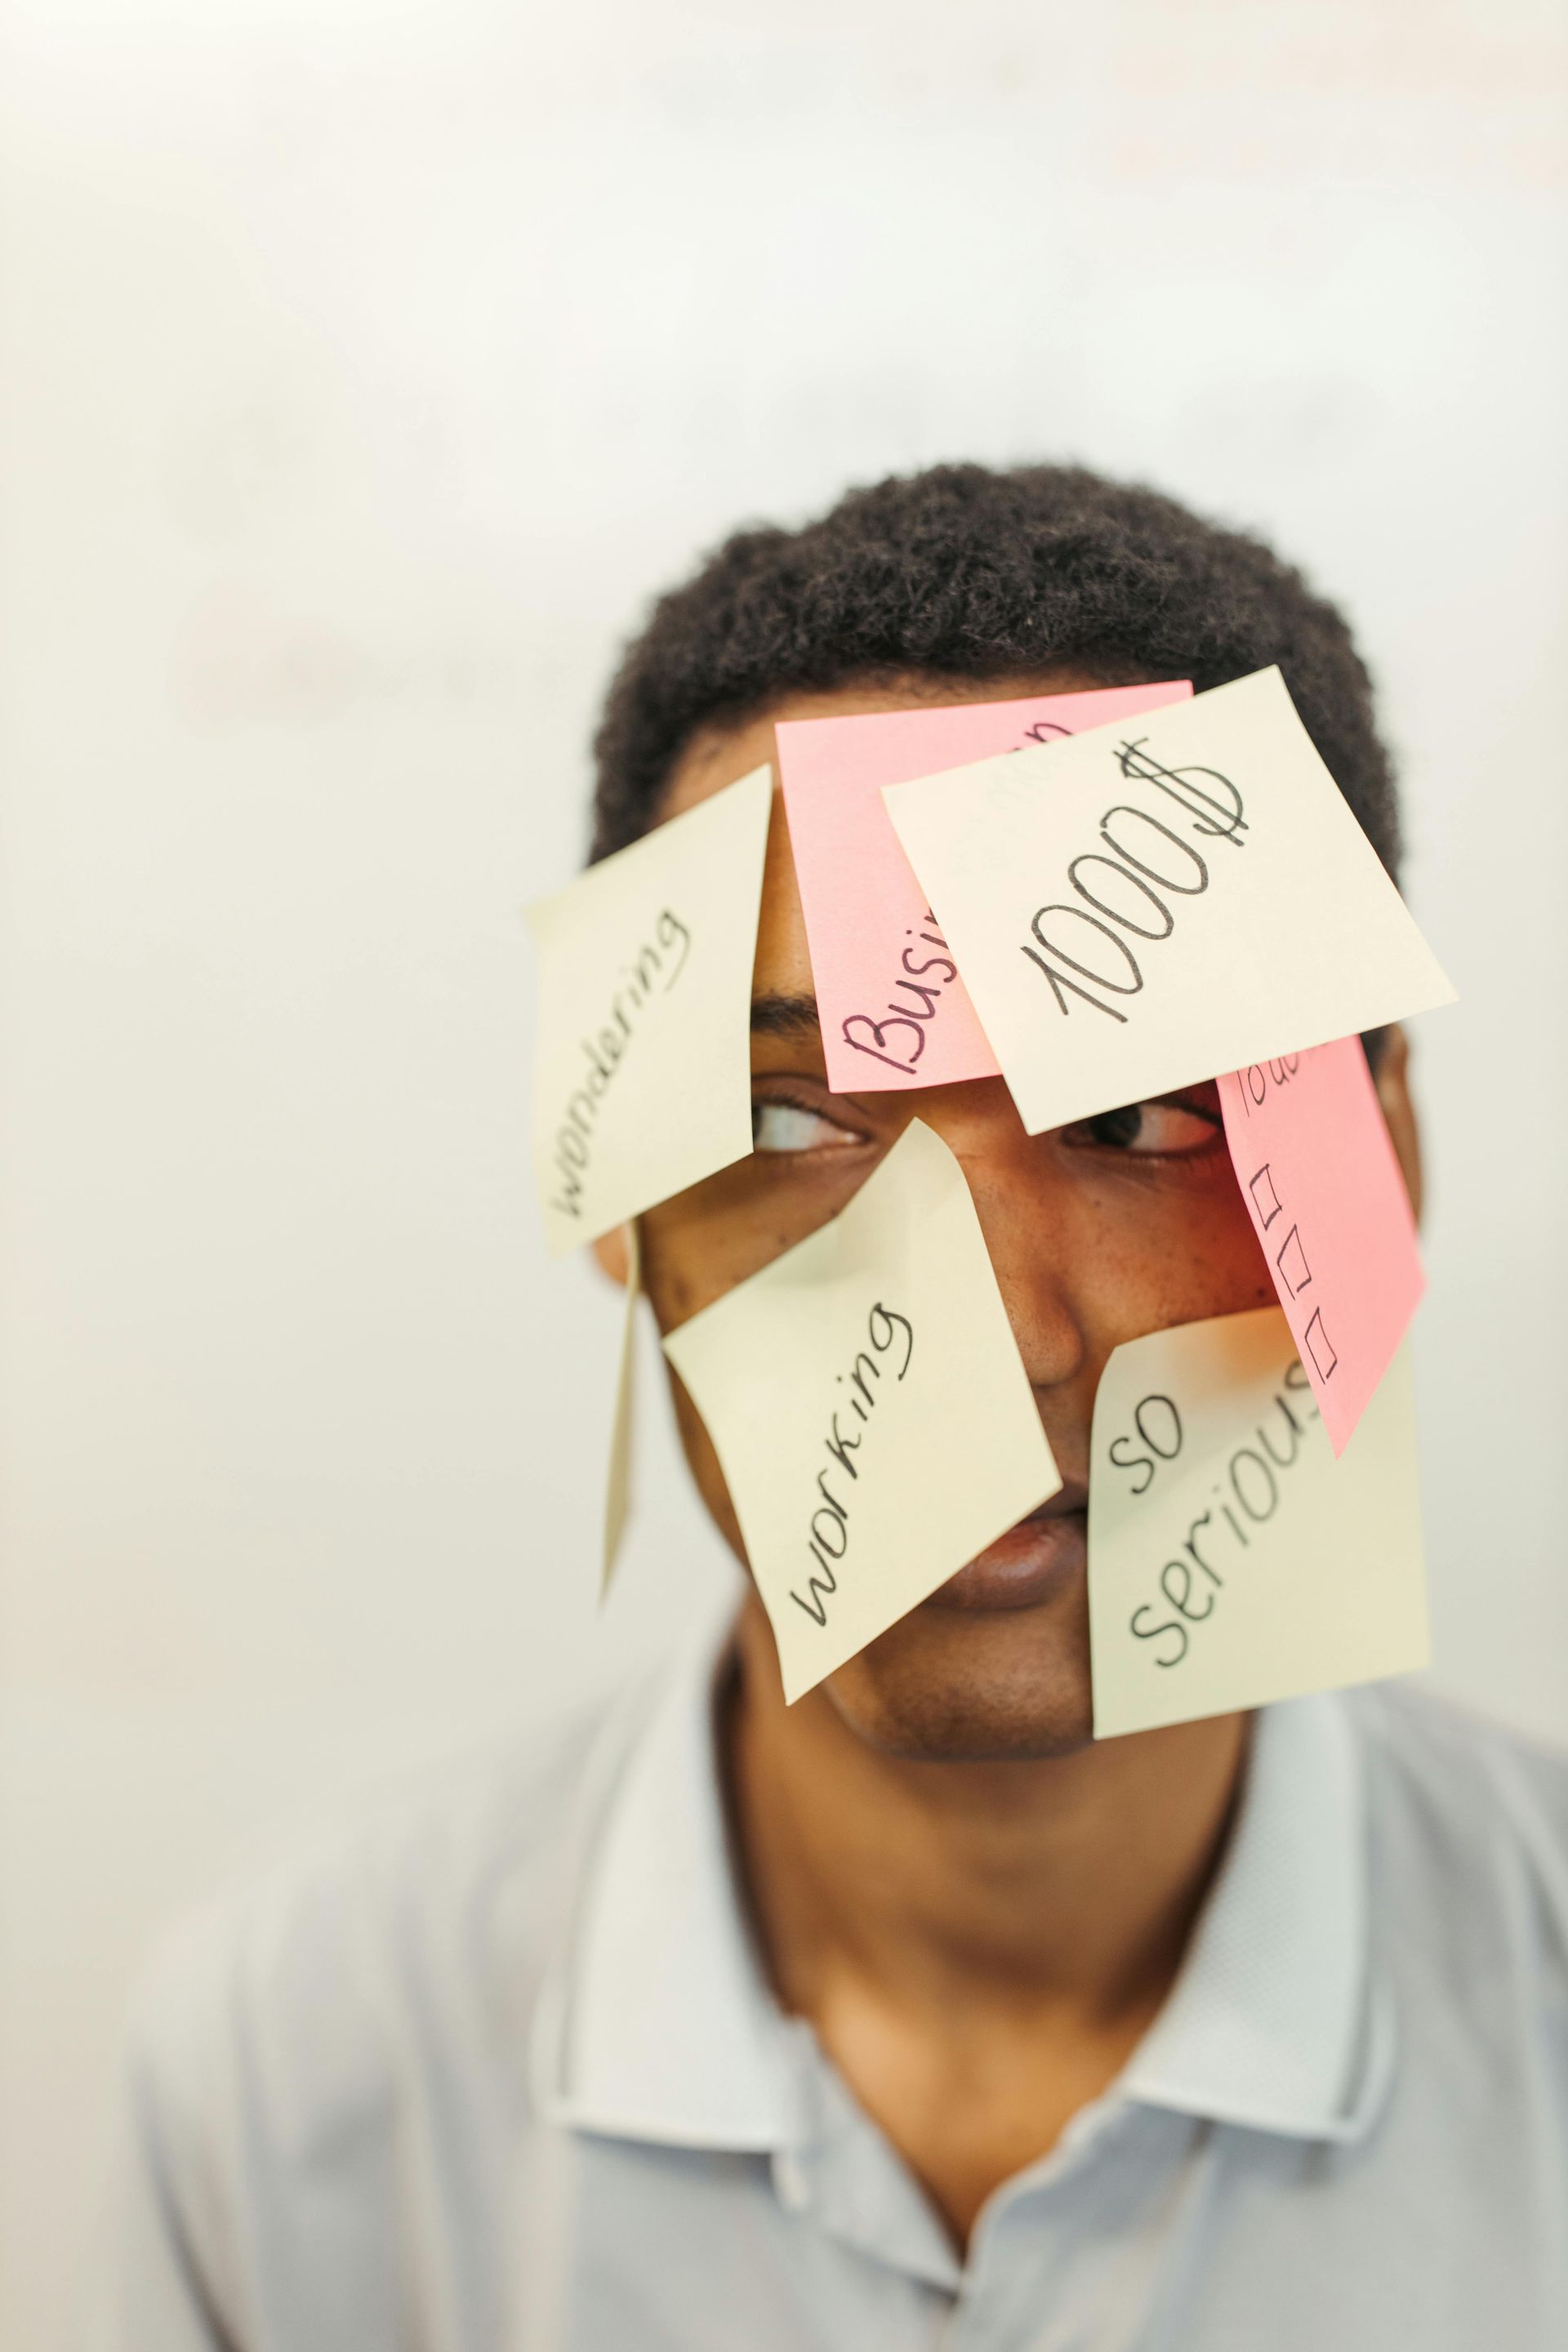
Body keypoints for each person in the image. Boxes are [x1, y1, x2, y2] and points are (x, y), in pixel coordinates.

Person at [93, 466, 1568, 2350]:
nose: (996, 1337)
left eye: (1142, 1117)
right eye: (797, 1128)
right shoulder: (287, 2078)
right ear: (621, 1201)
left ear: (1384, 1167)